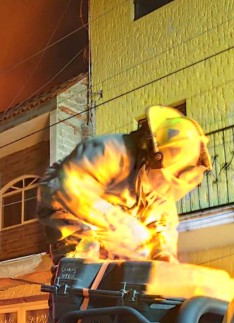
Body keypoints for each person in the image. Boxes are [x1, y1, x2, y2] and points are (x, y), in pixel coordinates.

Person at [37, 105, 212, 265]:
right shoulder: (111, 151)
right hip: (64, 200)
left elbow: (164, 226)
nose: (162, 188)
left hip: (109, 217)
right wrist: (121, 223)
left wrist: (163, 254)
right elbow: (71, 188)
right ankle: (72, 280)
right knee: (85, 254)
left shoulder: (161, 190)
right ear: (152, 157)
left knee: (138, 256)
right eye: (163, 178)